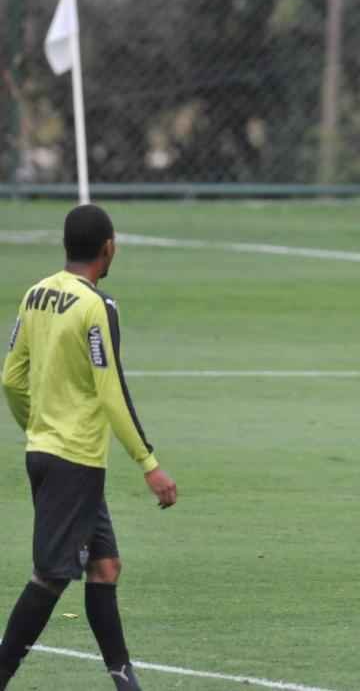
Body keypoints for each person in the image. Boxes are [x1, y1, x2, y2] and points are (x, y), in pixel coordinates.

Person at [1, 204, 177, 691]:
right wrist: (149, 463)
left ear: (65, 246)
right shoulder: (96, 306)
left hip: (47, 452)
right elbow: (112, 391)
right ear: (108, 248)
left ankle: (123, 677)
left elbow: (11, 379)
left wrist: (36, 426)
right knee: (51, 576)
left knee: (104, 566)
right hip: (73, 459)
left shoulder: (35, 294)